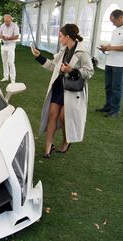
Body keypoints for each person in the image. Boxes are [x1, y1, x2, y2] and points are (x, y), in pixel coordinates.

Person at [32, 24, 94, 158]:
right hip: (59, 87)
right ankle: (48, 148)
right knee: (52, 114)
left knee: (63, 117)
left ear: (67, 37)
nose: (59, 38)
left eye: (60, 36)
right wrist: (39, 57)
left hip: (72, 90)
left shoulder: (82, 53)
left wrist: (72, 70)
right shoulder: (63, 51)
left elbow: (89, 72)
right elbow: (53, 67)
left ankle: (67, 140)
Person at [96, 9, 123, 118]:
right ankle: (108, 106)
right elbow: (114, 44)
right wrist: (106, 48)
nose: (113, 23)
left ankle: (115, 109)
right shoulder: (115, 30)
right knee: (108, 86)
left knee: (117, 88)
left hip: (119, 64)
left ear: (121, 17)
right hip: (110, 61)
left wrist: (110, 47)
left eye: (114, 21)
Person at [0, 14, 20, 83]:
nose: (6, 23)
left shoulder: (15, 26)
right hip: (3, 45)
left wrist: (8, 38)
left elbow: (16, 36)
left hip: (11, 45)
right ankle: (5, 77)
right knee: (4, 62)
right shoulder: (2, 25)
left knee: (11, 62)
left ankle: (13, 79)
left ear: (11, 20)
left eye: (8, 21)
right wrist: (1, 36)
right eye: (5, 21)